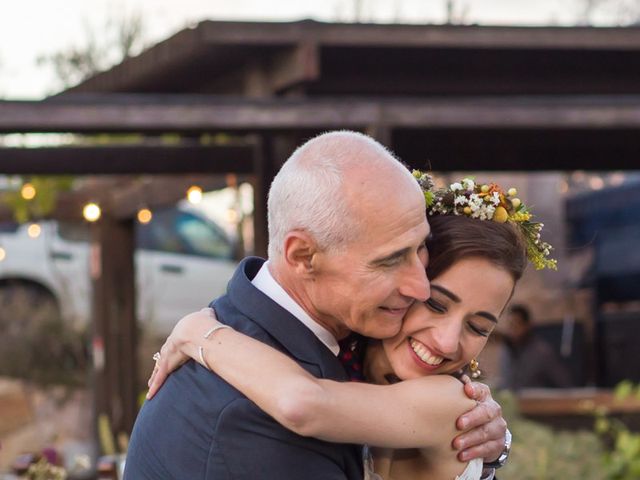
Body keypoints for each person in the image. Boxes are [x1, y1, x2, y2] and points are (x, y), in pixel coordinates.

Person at [124, 132, 509, 480]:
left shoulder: (350, 350)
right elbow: (301, 403)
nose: (419, 285)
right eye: (391, 259)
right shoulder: (247, 416)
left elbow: (307, 401)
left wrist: (199, 333)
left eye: (419, 247)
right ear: (303, 256)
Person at [500, 304, 572, 390]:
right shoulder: (506, 350)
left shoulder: (542, 352)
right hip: (511, 401)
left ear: (527, 325)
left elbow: (564, 383)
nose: (512, 330)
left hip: (537, 400)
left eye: (516, 325)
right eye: (510, 325)